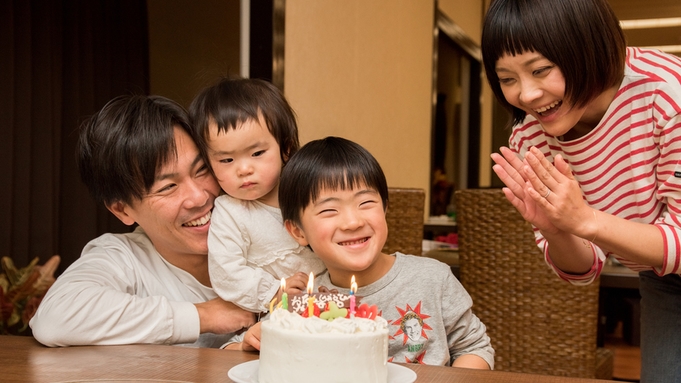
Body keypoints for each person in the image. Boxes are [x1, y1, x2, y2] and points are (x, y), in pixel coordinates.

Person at [482, 0, 681, 381]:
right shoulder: (530, 140)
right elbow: (583, 269)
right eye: (507, 78)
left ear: (586, 45)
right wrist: (558, 231)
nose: (526, 95)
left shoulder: (668, 96)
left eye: (540, 70)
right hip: (663, 277)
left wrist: (586, 220)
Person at [238, 136, 494, 367]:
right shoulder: (305, 300)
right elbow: (242, 345)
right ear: (297, 231)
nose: (353, 222)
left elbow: (474, 348)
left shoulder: (432, 279)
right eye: (329, 210)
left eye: (366, 203)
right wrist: (248, 343)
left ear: (384, 208)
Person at [29, 95, 256, 347]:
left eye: (201, 170)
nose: (199, 196)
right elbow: (56, 318)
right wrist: (202, 316)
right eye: (168, 186)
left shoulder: (264, 227)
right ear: (122, 210)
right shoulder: (124, 258)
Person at [188, 78, 326, 314]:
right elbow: (227, 273)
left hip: (335, 297)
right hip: (280, 313)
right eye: (226, 160)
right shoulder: (230, 212)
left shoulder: (308, 190)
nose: (243, 169)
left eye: (257, 153)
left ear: (286, 148)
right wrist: (274, 291)